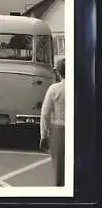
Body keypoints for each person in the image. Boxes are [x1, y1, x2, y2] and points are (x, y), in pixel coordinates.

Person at [40, 58, 65, 186]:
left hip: (59, 130)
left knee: (60, 169)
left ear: (58, 72)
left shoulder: (54, 89)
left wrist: (44, 136)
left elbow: (45, 114)